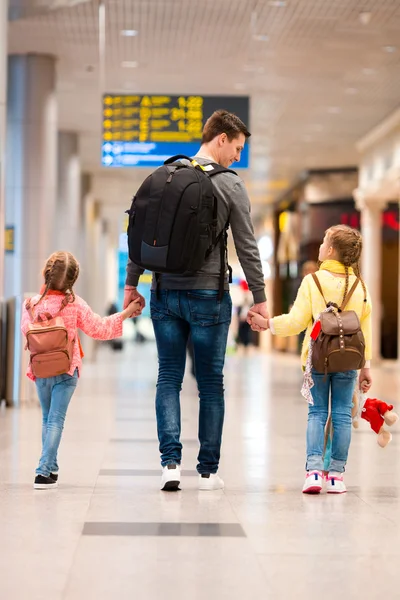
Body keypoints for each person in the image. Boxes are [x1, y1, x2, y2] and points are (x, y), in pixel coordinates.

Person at [124, 110, 268, 491]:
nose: (237, 157)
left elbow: (140, 232)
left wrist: (131, 284)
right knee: (210, 383)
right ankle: (207, 471)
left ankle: (170, 464)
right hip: (208, 294)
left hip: (165, 292)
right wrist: (260, 297)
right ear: (221, 138)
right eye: (236, 148)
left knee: (168, 376)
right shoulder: (229, 184)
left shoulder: (165, 176)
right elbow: (247, 246)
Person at [249, 225, 372, 494]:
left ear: (330, 250)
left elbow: (295, 322)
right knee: (341, 415)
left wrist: (267, 324)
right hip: (350, 361)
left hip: (318, 359)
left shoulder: (313, 281)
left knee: (317, 413)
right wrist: (367, 367)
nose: (318, 247)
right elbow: (366, 330)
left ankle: (314, 472)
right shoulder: (360, 285)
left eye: (322, 242)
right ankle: (336, 476)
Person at [21, 251, 141, 490]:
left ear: (47, 273)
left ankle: (51, 467)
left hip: (40, 369)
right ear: (72, 280)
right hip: (66, 370)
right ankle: (43, 472)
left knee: (47, 418)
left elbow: (26, 332)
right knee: (56, 420)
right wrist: (127, 313)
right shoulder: (74, 304)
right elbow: (100, 329)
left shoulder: (32, 304)